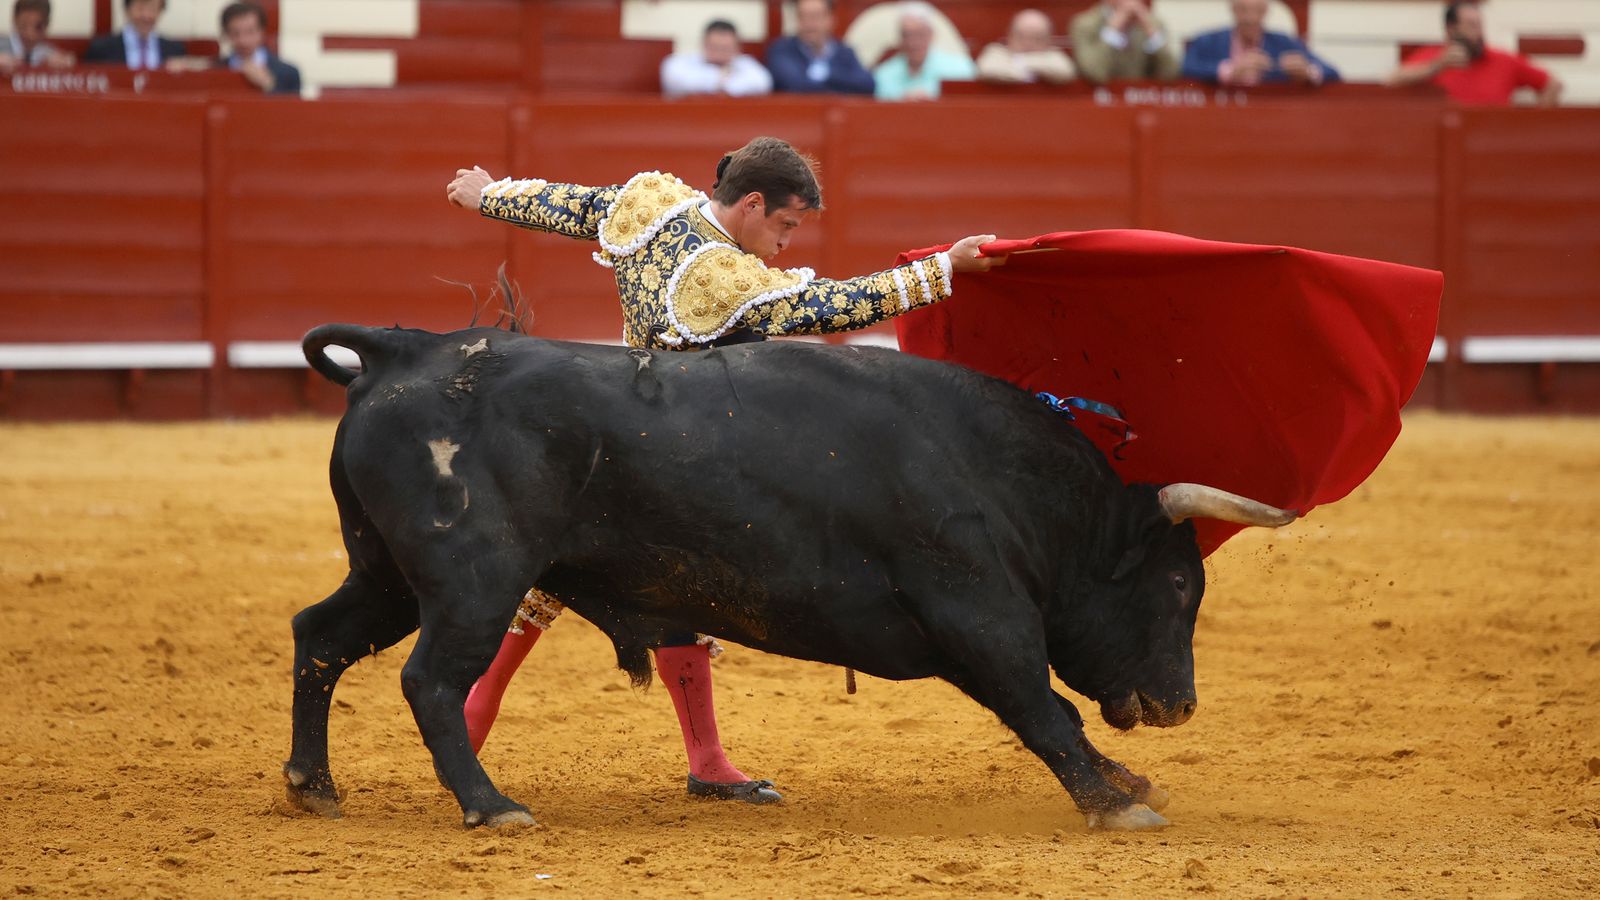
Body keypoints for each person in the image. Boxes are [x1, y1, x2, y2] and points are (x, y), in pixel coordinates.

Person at [443, 136, 1000, 803]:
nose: (787, 243)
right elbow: (829, 307)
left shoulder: (655, 203)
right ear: (754, 203)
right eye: (785, 225)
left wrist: (491, 195)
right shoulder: (724, 279)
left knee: (551, 583)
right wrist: (942, 270)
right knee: (686, 581)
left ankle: (482, 718)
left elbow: (575, 205)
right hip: (685, 458)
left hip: (610, 428)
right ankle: (700, 755)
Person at [1387, 1, 1561, 106]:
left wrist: (1532, 130)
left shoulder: (1502, 60)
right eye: (1471, 26)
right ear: (1451, 29)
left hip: (1493, 147)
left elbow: (1552, 85)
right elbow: (1392, 80)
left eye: (1480, 26)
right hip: (1447, 147)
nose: (1478, 34)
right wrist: (1438, 66)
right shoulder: (1435, 58)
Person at [1180, 0, 1339, 86]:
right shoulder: (1208, 40)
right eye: (1243, 10)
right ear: (1233, 10)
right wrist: (1230, 71)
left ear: (1265, 12)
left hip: (1271, 117)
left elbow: (1332, 72)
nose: (1250, 18)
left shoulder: (1284, 43)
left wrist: (1308, 72)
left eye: (1256, 11)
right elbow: (1184, 68)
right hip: (1218, 113)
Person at [766, 0, 875, 94]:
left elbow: (867, 84)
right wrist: (842, 88)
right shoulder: (782, 50)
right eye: (802, 17)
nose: (809, 24)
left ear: (830, 19)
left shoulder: (845, 52)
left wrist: (826, 75)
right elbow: (794, 85)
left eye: (815, 17)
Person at [873, 1, 976, 100]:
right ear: (900, 38)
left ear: (931, 35)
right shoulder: (883, 74)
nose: (913, 42)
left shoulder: (959, 68)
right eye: (907, 35)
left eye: (920, 34)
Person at [1069, 0, 1179, 84]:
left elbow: (1170, 73)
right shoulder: (1085, 25)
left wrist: (1151, 32)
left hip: (1142, 102)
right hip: (1099, 104)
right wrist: (1112, 30)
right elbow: (1095, 74)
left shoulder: (1154, 24)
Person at [660, 19, 772, 99]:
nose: (719, 53)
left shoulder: (744, 63)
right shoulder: (682, 61)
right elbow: (675, 79)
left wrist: (725, 87)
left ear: (737, 47)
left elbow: (762, 83)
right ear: (703, 44)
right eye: (715, 47)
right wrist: (719, 77)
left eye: (725, 48)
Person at [215, 1, 300, 95]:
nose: (243, 41)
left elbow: (293, 107)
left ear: (262, 32)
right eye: (235, 33)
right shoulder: (214, 70)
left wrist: (269, 86)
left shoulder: (288, 73)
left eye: (250, 32)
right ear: (226, 34)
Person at [975, 8, 1075, 84]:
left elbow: (1065, 71)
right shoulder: (996, 51)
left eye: (1037, 38)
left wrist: (1020, 63)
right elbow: (987, 69)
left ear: (1047, 41)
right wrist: (1028, 72)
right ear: (1010, 36)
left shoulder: (1054, 55)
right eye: (1021, 36)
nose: (1028, 43)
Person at [83, 0, 187, 70]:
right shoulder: (101, 49)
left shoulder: (175, 50)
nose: (146, 16)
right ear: (127, 10)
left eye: (153, 9)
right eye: (140, 8)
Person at [0, 0, 73, 73]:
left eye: (38, 27)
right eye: (24, 26)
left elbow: (70, 63)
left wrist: (66, 64)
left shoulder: (49, 53)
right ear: (14, 20)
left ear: (47, 24)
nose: (30, 34)